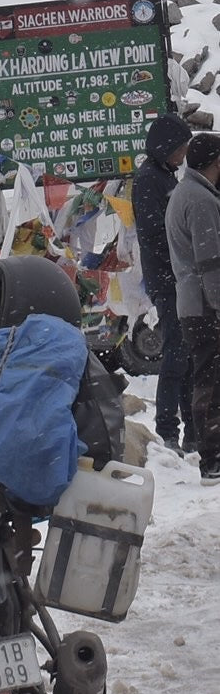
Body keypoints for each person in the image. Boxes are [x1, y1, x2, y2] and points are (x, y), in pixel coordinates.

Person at [132, 112, 195, 454]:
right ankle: (168, 428)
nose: (182, 155)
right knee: (176, 351)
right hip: (166, 277)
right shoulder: (148, 180)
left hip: (179, 275)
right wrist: (184, 247)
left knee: (185, 353)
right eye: (179, 148)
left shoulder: (167, 177)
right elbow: (154, 233)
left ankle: (192, 430)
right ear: (165, 147)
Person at [165, 132, 220, 486]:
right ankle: (212, 459)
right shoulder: (199, 200)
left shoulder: (187, 192)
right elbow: (210, 262)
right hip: (205, 303)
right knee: (210, 381)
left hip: (193, 301)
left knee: (208, 377)